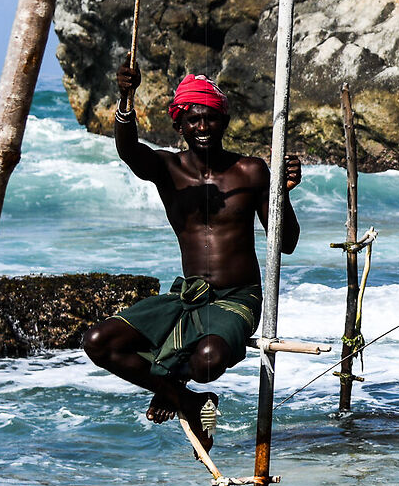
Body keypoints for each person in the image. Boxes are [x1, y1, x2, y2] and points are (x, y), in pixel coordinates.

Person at [83, 65, 297, 450]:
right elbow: (130, 150)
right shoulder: (169, 169)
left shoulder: (249, 171)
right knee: (99, 341)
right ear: (179, 125)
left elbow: (287, 242)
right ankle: (187, 399)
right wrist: (126, 100)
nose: (203, 126)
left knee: (208, 361)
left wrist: (282, 192)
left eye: (211, 118)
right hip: (189, 296)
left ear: (223, 121)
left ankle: (173, 385)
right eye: (193, 119)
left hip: (238, 297)